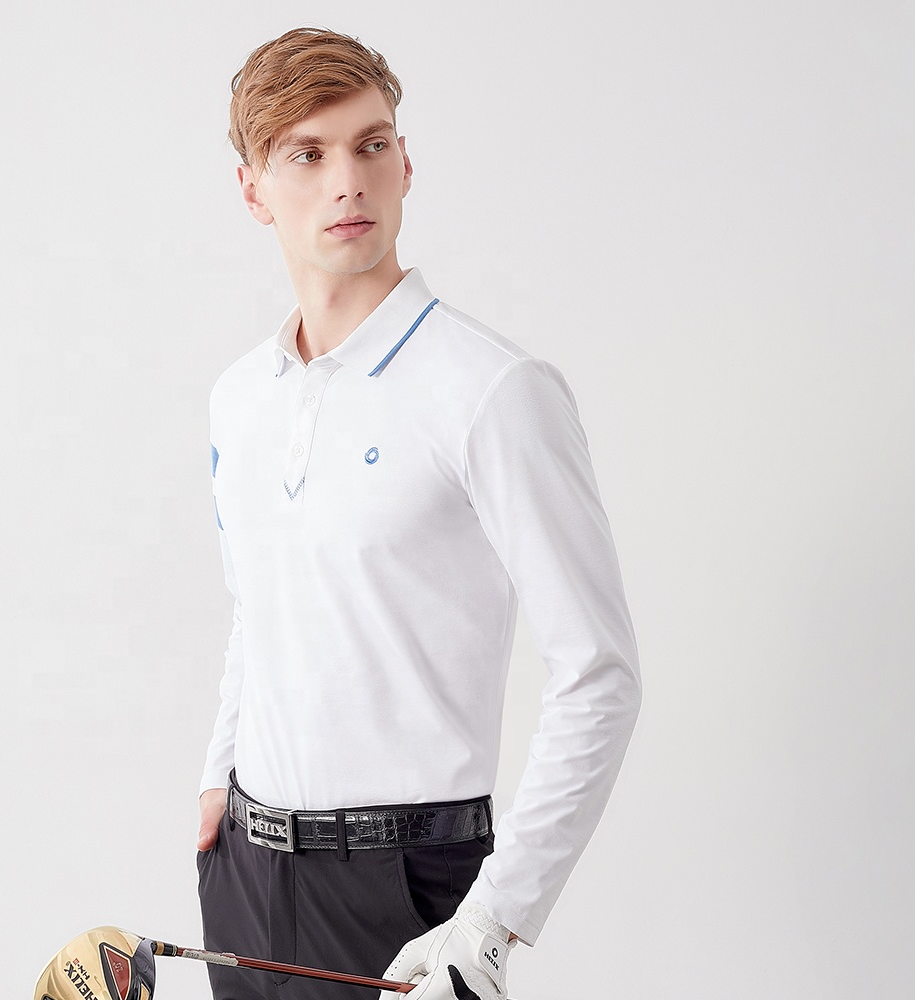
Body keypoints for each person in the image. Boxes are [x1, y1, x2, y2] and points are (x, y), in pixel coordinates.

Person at [194, 25, 642, 1000]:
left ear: (405, 164)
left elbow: (598, 670)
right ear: (252, 190)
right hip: (246, 876)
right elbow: (257, 608)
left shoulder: (493, 390)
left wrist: (493, 919)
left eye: (370, 145)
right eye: (306, 155)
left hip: (411, 889)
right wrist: (216, 780)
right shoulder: (240, 398)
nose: (347, 181)